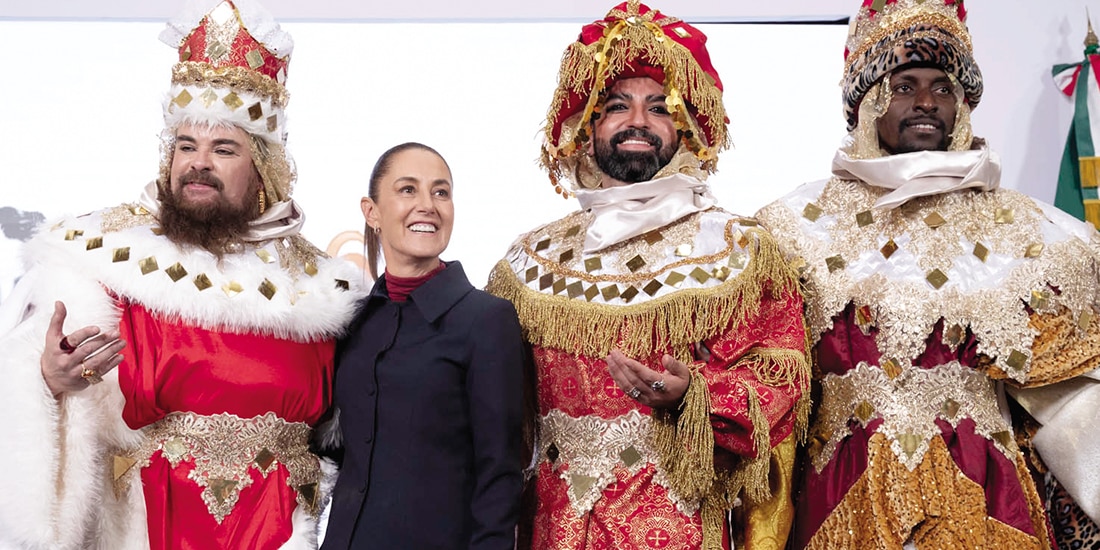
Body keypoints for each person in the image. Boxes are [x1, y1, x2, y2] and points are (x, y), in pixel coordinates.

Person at [0, 1, 363, 548]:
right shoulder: (105, 258)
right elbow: (30, 379)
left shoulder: (317, 285)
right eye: (186, 146)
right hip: (145, 530)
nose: (199, 162)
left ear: (261, 168)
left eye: (223, 149)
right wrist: (49, 380)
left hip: (276, 533)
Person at [755, 1, 1100, 548]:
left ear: (962, 105)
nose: (925, 102)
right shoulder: (792, 229)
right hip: (840, 497)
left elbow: (1074, 399)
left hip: (986, 498)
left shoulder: (1036, 231)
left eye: (943, 87)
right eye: (902, 84)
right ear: (867, 102)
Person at [485, 2, 811, 549]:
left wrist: (695, 396)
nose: (638, 120)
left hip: (678, 527)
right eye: (617, 105)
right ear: (585, 130)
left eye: (660, 107)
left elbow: (783, 375)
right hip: (555, 531)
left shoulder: (738, 252)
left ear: (685, 131)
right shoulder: (524, 265)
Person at [320, 143, 525, 549]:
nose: (428, 205)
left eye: (441, 192)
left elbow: (500, 473)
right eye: (408, 190)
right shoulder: (352, 320)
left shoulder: (486, 320)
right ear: (372, 211)